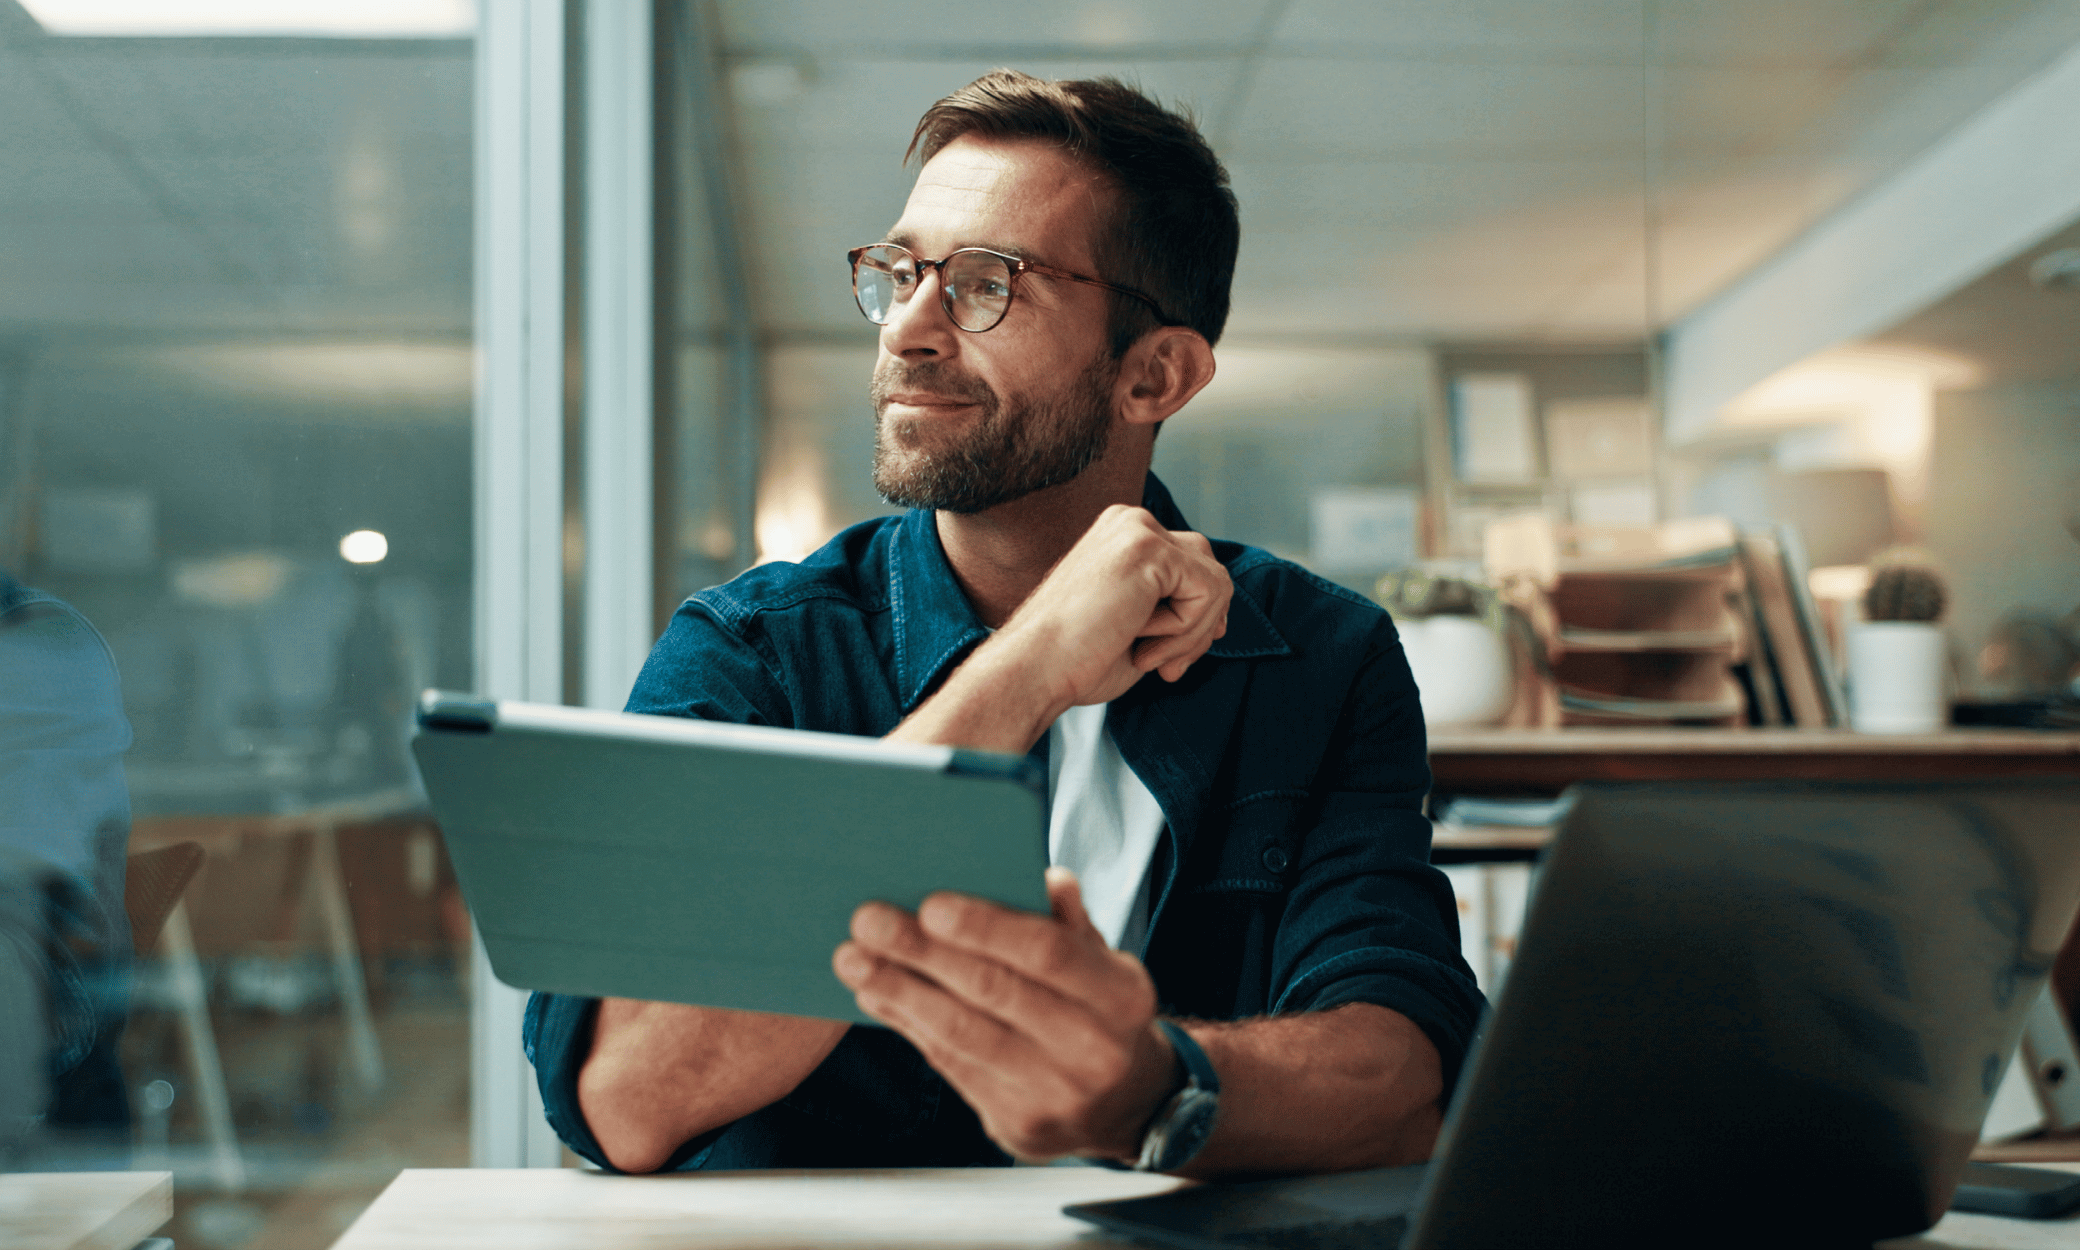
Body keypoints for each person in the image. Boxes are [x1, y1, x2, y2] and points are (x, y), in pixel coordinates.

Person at [525, 70, 1482, 1178]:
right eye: (899, 274)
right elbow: (618, 1095)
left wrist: (1146, 1086)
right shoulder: (756, 650)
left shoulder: (1320, 656)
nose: (908, 331)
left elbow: (1406, 1079)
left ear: (1154, 375)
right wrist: (1023, 671)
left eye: (987, 284)